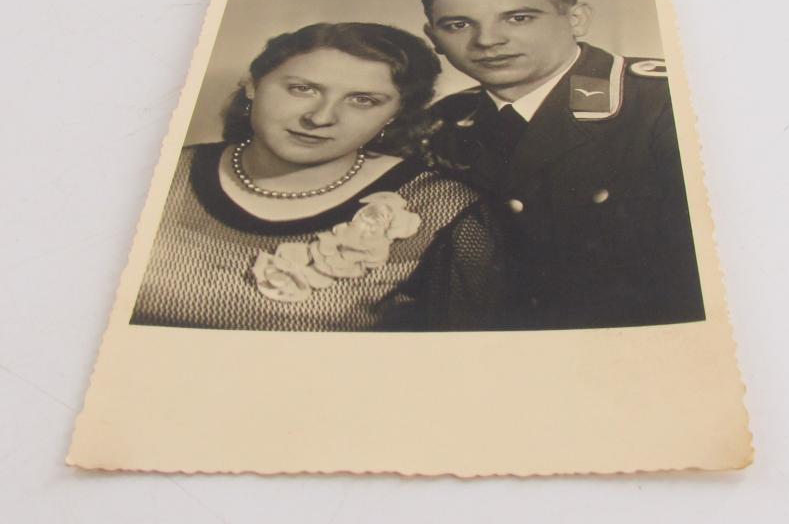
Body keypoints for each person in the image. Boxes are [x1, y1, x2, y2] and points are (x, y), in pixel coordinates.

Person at [131, 22, 512, 332]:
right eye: (302, 89)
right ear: (252, 84)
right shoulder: (157, 174)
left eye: (363, 100)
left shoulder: (446, 212)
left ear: (396, 114)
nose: (321, 117)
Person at [421, 0, 705, 329]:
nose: (488, 40)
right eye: (458, 25)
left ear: (577, 19)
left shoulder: (669, 101)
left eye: (519, 18)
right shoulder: (438, 124)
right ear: (433, 38)